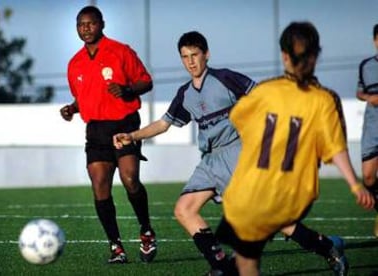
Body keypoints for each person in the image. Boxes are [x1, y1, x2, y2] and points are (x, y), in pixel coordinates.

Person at [215, 21, 376, 276]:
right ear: (316, 56)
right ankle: (327, 246)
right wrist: (355, 185)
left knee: (246, 261)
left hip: (252, 190)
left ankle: (325, 246)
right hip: (294, 193)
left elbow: (238, 118)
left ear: (284, 56)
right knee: (249, 254)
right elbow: (335, 148)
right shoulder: (324, 99)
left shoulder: (265, 92)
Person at [114, 31, 255, 275]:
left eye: (195, 55)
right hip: (210, 160)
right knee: (184, 209)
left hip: (238, 154)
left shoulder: (225, 78)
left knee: (268, 221)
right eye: (184, 57)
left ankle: (326, 246)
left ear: (206, 54)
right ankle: (221, 267)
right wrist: (132, 136)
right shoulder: (185, 93)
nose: (190, 61)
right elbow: (163, 124)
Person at [60, 5, 157, 264]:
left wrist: (126, 90)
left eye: (90, 23)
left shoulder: (121, 51)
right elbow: (83, 97)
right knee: (99, 183)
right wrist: (72, 108)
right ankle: (116, 247)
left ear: (101, 24)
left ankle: (146, 230)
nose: (86, 28)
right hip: (96, 130)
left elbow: (146, 82)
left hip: (124, 124)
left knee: (129, 178)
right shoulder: (74, 64)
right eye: (81, 24)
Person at [356, 23, 378, 238]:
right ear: (375, 41)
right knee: (369, 178)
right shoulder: (366, 66)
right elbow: (359, 92)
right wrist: (367, 97)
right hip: (372, 127)